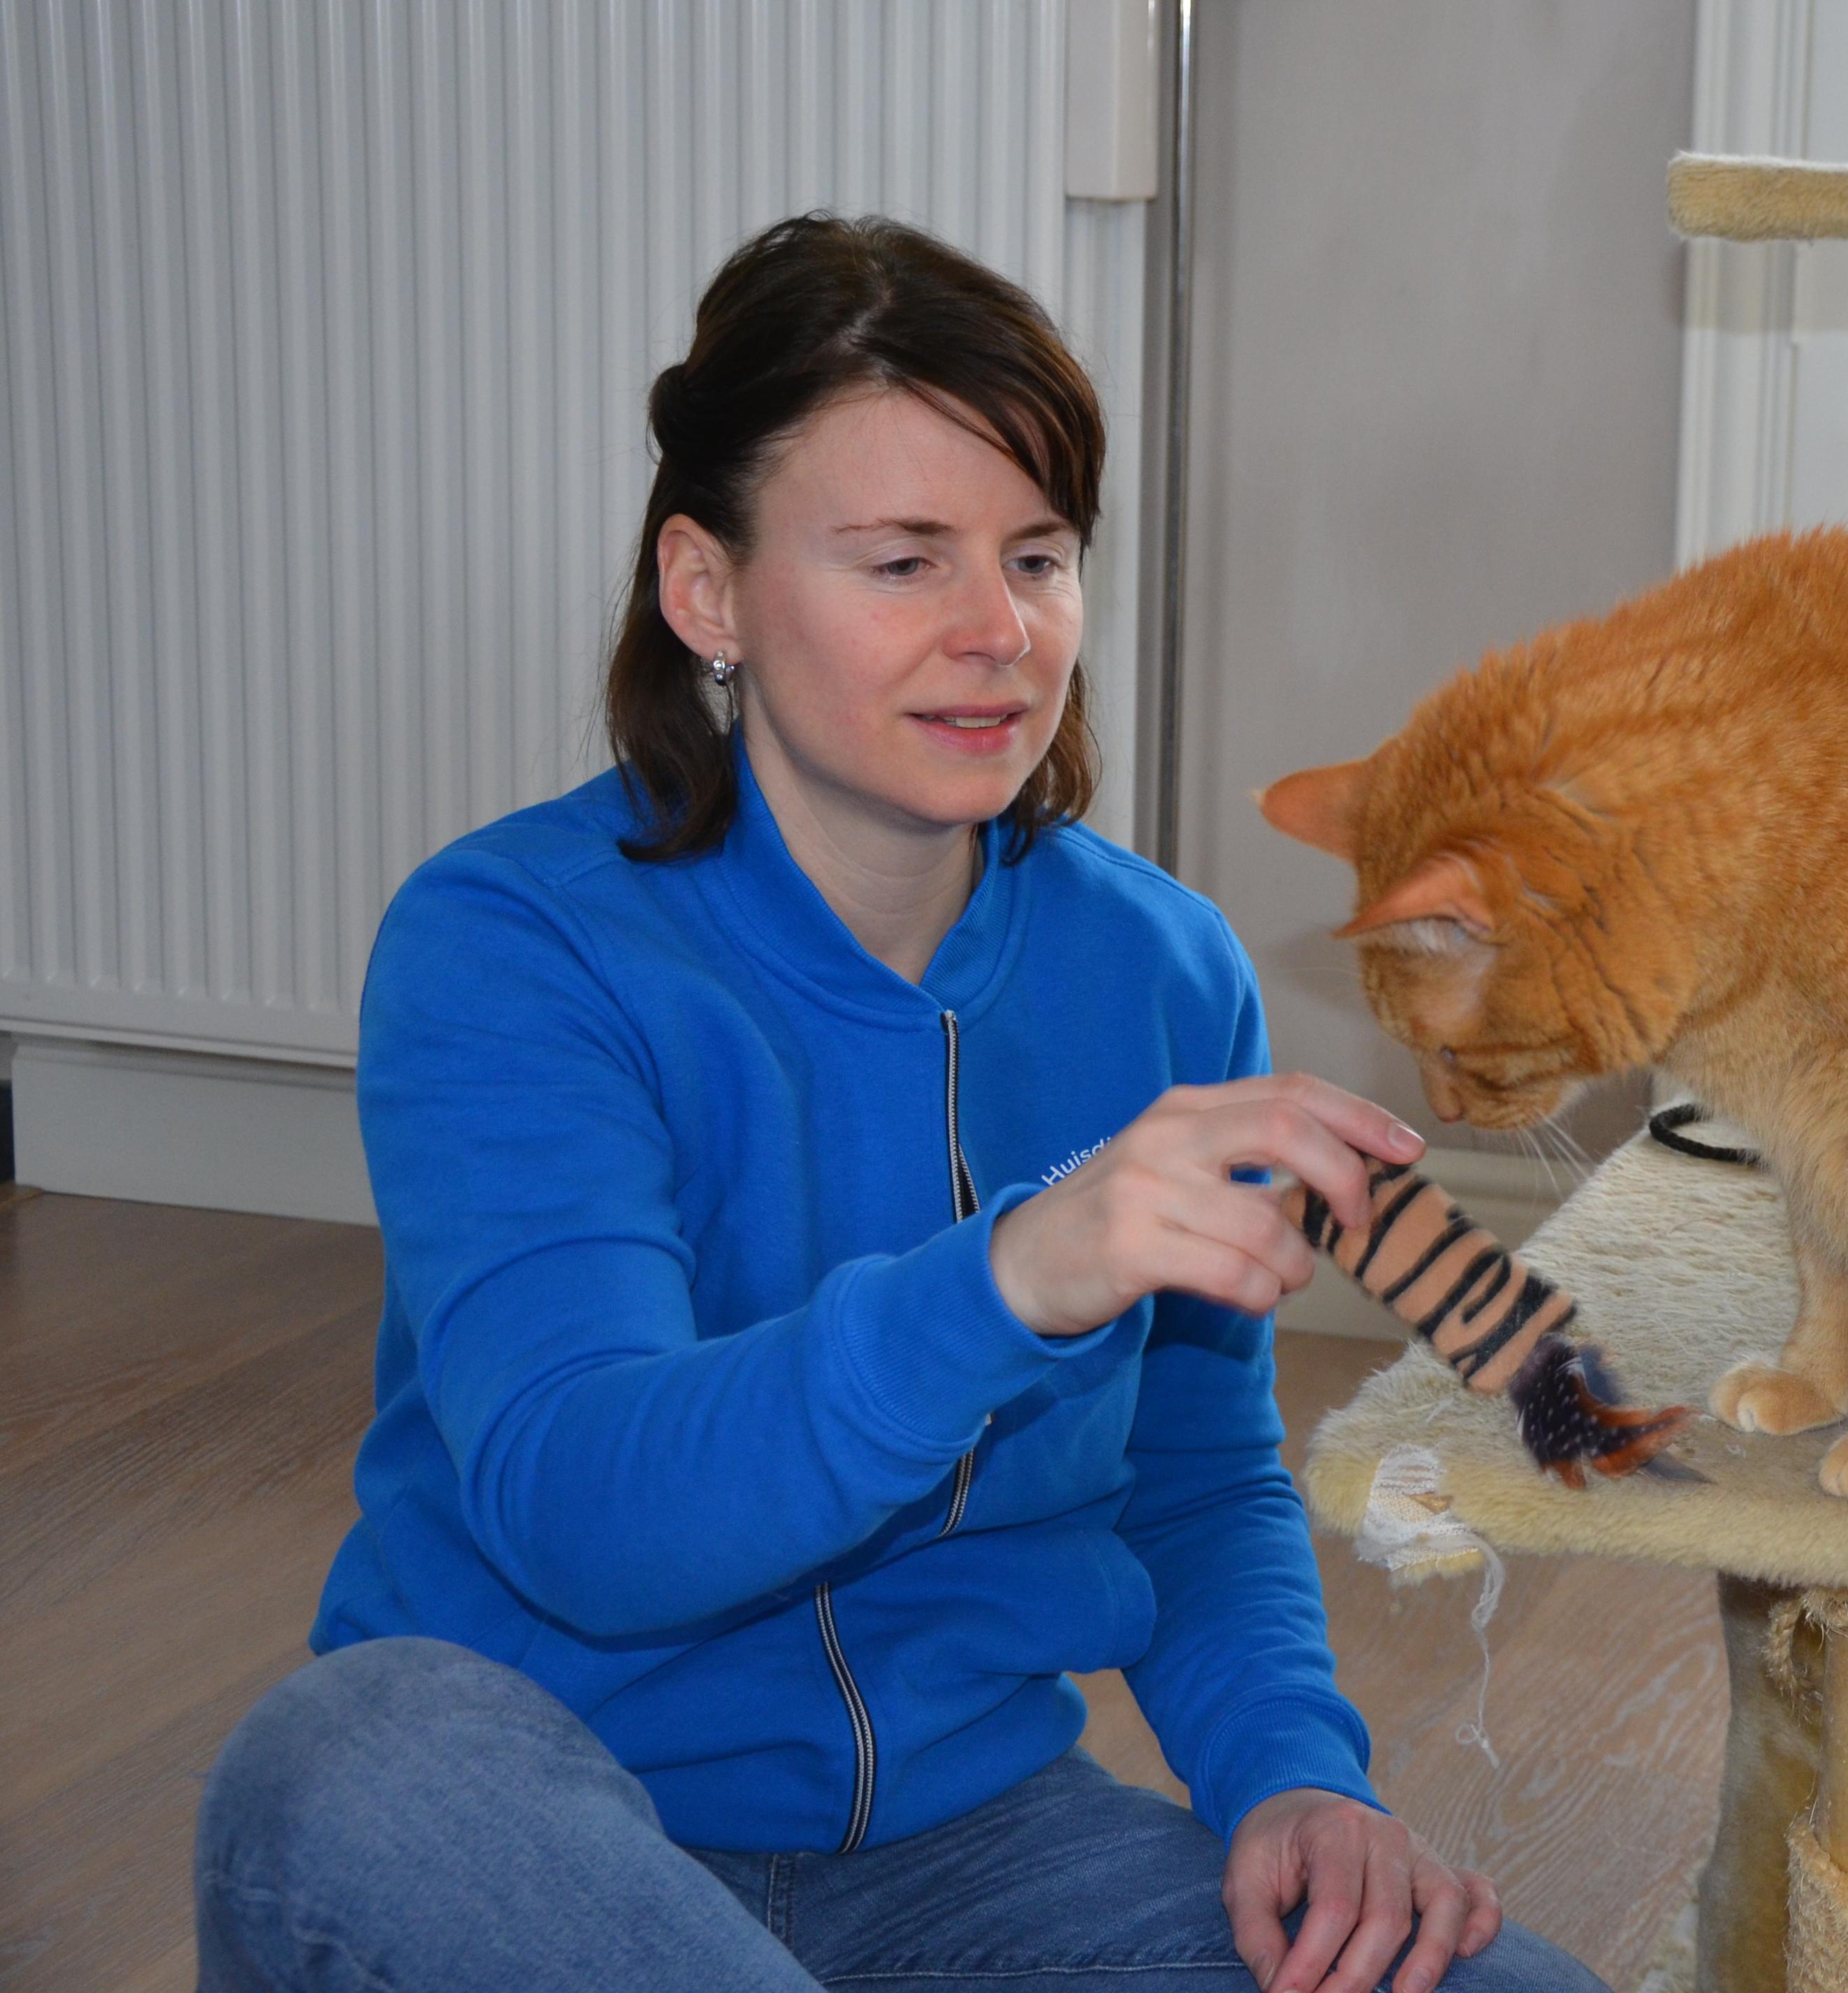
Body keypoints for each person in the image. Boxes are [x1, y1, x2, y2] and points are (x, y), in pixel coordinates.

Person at [193, 215, 1607, 1993]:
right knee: (353, 1762)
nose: (999, 631)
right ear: (706, 591)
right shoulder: (514, 946)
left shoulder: (1163, 973)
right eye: (903, 561)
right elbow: (582, 1510)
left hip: (975, 1852)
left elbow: (1193, 1474)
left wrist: (1293, 1778)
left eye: (1038, 556)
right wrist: (1010, 1277)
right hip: (551, 1846)